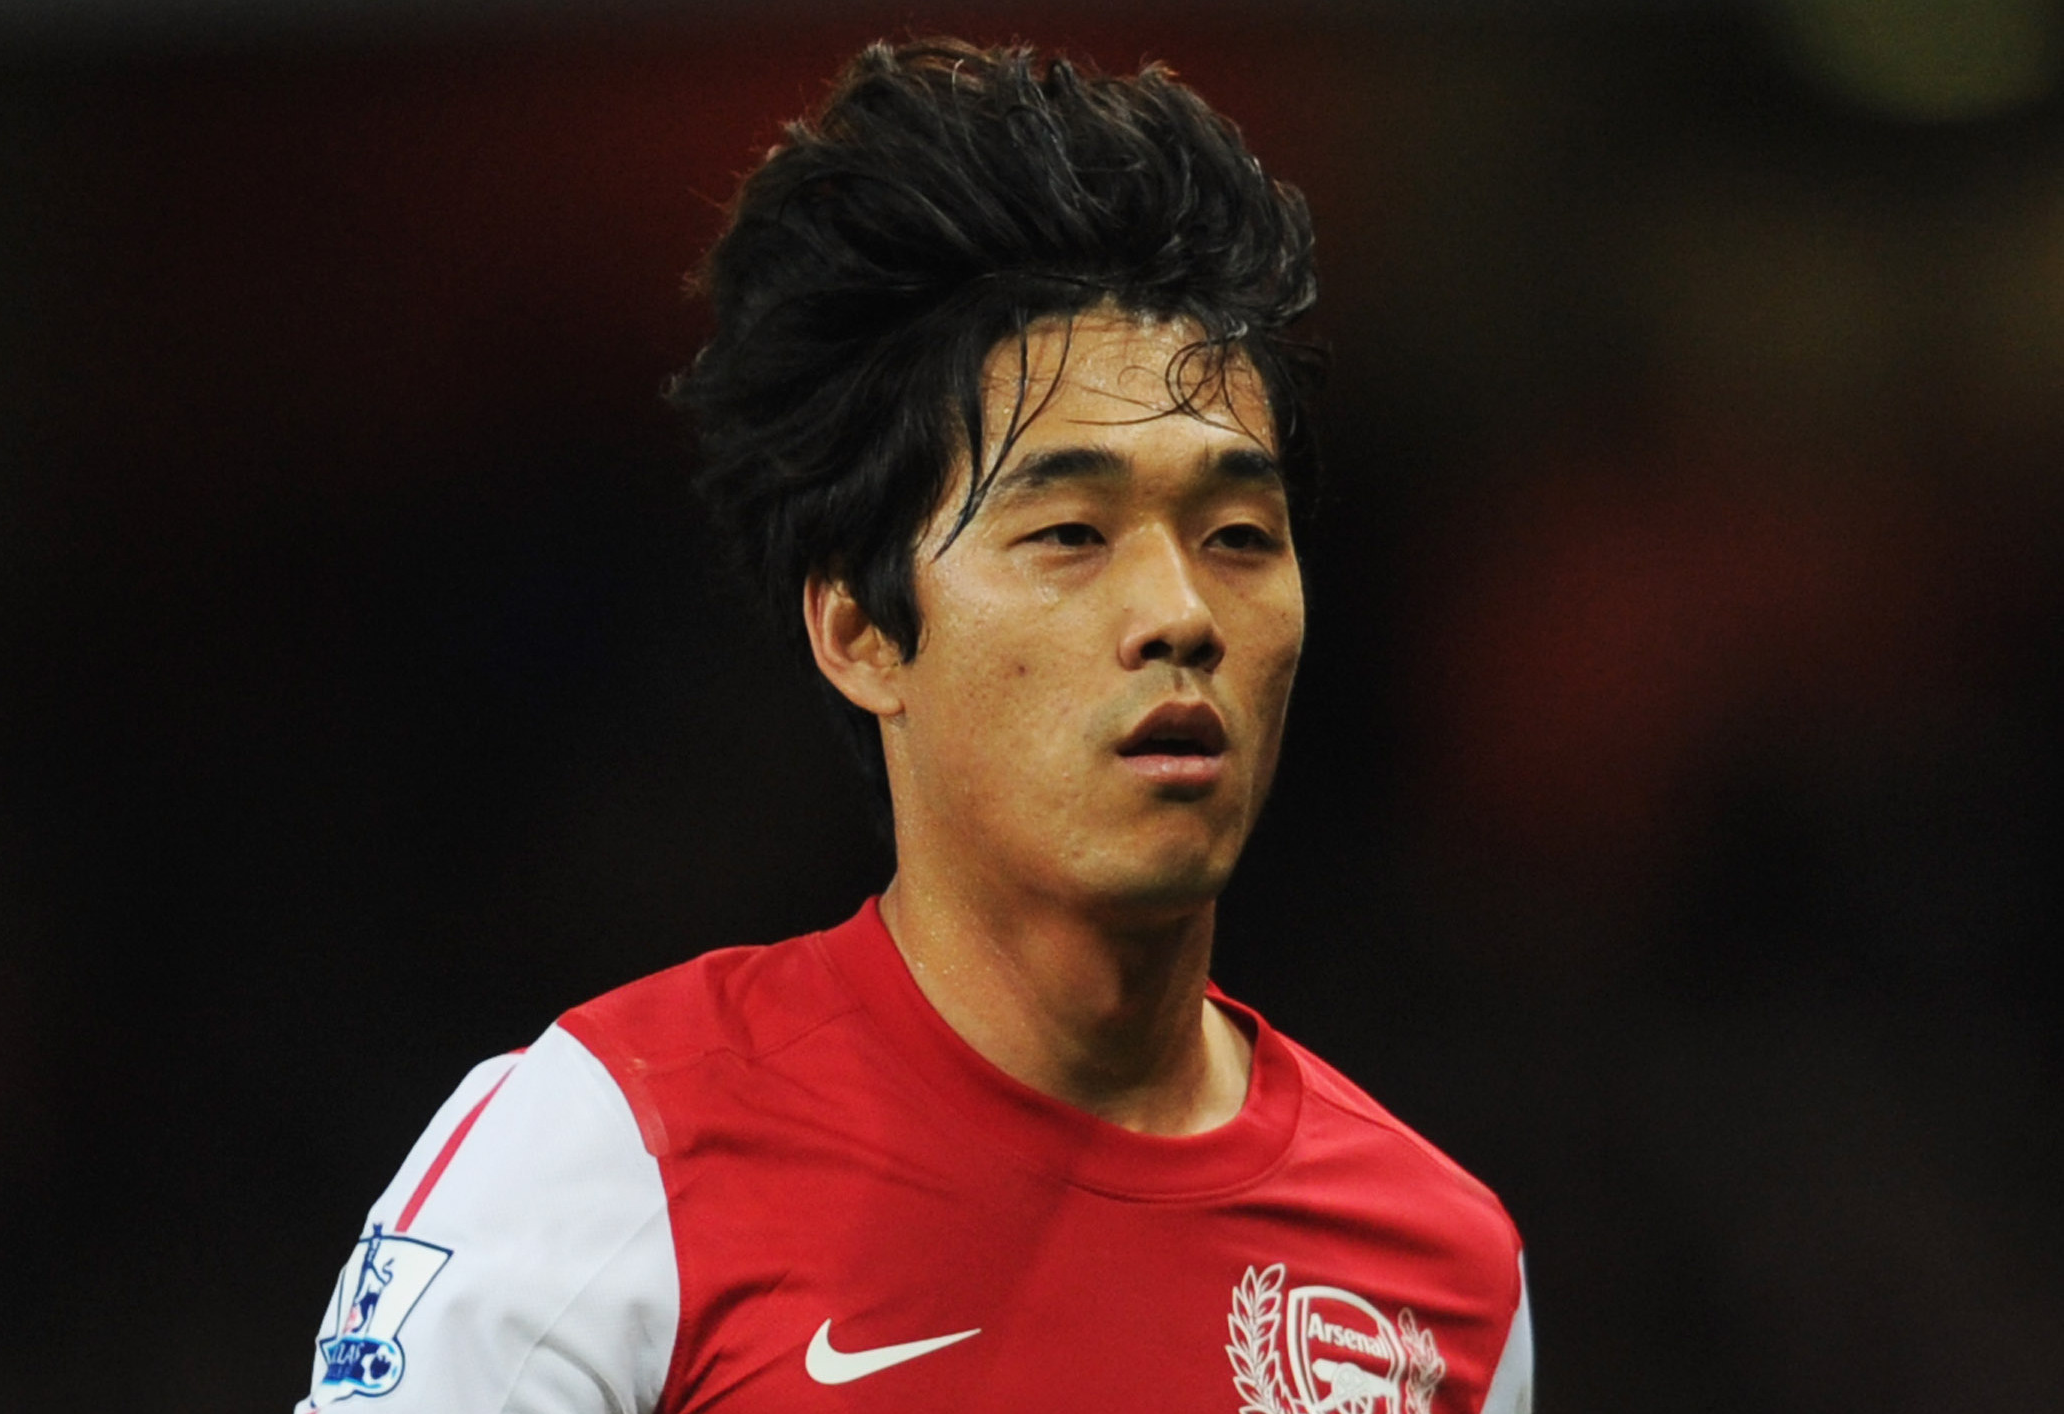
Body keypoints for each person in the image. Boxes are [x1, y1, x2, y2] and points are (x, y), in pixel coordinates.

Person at [297, 38, 1532, 1414]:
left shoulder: (1442, 1276)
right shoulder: (604, 1155)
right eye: (1069, 532)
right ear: (861, 630)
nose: (1179, 612)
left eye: (1238, 533)